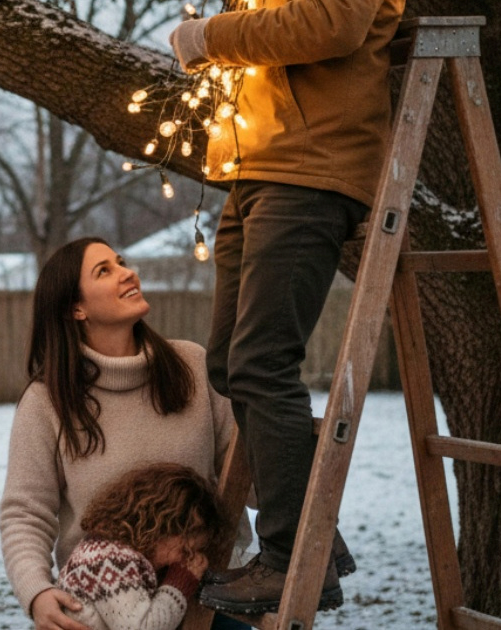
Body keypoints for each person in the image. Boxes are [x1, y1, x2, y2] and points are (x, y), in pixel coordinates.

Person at [168, 0, 406, 616]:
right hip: (254, 166)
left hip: (310, 166)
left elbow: (333, 25)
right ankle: (312, 532)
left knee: (261, 362)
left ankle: (291, 557)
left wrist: (210, 36)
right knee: (229, 364)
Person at [0, 236, 252, 630]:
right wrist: (37, 592)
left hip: (210, 598)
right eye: (105, 271)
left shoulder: (192, 366)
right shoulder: (47, 400)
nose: (127, 273)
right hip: (107, 611)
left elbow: (244, 474)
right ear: (76, 308)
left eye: (120, 262)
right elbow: (25, 512)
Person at [57, 462, 229, 630]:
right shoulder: (111, 559)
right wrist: (179, 582)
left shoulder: (110, 550)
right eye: (185, 551)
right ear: (160, 526)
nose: (186, 560)